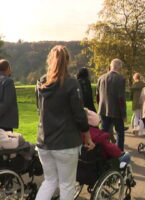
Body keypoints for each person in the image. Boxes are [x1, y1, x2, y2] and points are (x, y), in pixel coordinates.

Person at [35, 45, 95, 200]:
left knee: (49, 181)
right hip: (65, 143)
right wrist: (87, 136)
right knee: (67, 185)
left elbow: (39, 110)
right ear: (67, 61)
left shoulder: (42, 83)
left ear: (50, 60)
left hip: (44, 141)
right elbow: (79, 115)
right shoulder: (71, 83)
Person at [97, 58, 127, 151]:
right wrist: (124, 114)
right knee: (119, 133)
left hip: (103, 109)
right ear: (120, 68)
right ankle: (119, 153)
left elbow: (97, 96)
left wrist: (100, 107)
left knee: (104, 133)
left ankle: (102, 152)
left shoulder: (101, 78)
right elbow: (121, 98)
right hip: (116, 111)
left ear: (111, 66)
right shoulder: (121, 79)